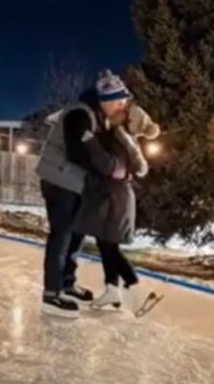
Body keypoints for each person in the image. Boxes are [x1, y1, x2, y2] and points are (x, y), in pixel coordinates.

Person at [35, 71, 128, 317]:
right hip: (59, 181)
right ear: (105, 100)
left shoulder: (97, 116)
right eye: (119, 102)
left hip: (76, 184)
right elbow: (76, 153)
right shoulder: (79, 114)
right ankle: (51, 294)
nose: (122, 107)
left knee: (76, 235)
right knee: (62, 235)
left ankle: (67, 282)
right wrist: (107, 169)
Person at [73, 71, 162, 316]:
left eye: (120, 102)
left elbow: (110, 166)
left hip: (115, 197)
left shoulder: (121, 135)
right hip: (110, 195)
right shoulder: (113, 130)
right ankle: (112, 290)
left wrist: (89, 141)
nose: (118, 105)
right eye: (114, 101)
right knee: (105, 243)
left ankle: (136, 287)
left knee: (110, 247)